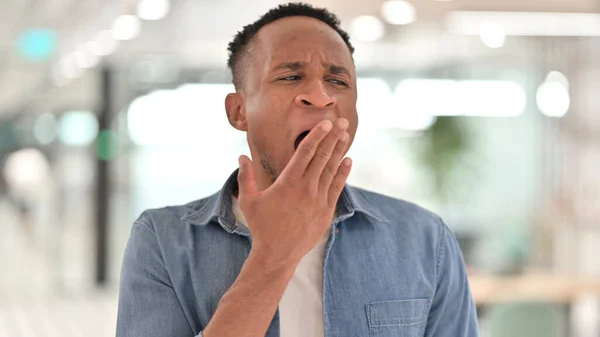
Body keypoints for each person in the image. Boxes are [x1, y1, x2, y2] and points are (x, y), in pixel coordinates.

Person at [116, 3, 479, 337]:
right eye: (291, 77)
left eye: (338, 82)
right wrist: (274, 254)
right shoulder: (162, 241)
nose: (321, 97)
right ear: (239, 111)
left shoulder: (425, 241)